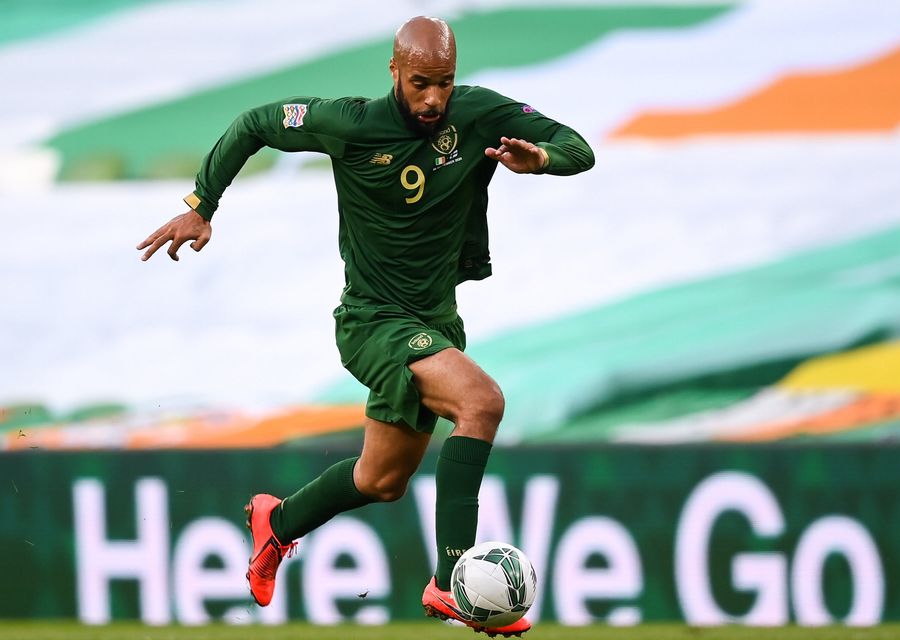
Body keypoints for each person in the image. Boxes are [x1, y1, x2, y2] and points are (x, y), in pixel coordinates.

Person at [137, 15, 593, 637]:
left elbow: (579, 148)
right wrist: (200, 205)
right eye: (420, 83)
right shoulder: (348, 123)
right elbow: (252, 125)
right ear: (395, 71)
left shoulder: (480, 114)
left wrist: (537, 158)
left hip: (435, 324)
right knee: (481, 403)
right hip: (372, 322)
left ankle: (278, 522)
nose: (434, 98)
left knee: (379, 480)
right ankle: (451, 580)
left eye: (445, 83)